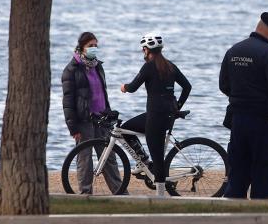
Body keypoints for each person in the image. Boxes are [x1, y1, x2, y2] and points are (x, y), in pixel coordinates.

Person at [220, 12, 268, 199]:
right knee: (264, 171)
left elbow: (224, 85)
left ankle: (233, 209)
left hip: (237, 119)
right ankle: (262, 211)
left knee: (238, 170)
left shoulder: (234, 50)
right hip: (263, 121)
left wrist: (241, 98)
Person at [120, 32, 192, 196]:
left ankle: (160, 196)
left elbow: (133, 87)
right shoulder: (170, 65)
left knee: (158, 158)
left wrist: (124, 87)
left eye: (143, 49)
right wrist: (177, 106)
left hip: (156, 117)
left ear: (146, 50)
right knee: (126, 129)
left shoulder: (148, 66)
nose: (143, 52)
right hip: (168, 115)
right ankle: (143, 162)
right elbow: (187, 87)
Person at [61, 31, 124, 194]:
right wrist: (73, 128)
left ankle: (120, 192)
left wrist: (108, 112)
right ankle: (85, 193)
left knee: (109, 158)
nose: (94, 48)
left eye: (96, 45)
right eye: (90, 46)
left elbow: (103, 93)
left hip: (102, 119)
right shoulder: (71, 70)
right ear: (82, 47)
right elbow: (68, 102)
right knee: (85, 159)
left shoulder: (98, 66)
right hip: (84, 121)